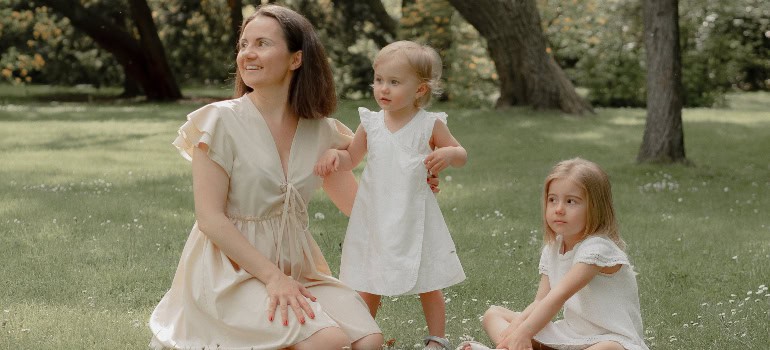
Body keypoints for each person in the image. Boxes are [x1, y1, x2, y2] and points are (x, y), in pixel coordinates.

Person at [149, 5, 392, 349]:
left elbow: (358, 207)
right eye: (244, 44)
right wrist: (273, 279)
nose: (248, 53)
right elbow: (210, 219)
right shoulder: (218, 122)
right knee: (328, 341)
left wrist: (412, 185)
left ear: (296, 59)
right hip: (228, 272)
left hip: (298, 270)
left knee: (369, 341)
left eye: (262, 43)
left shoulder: (321, 131)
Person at [314, 40, 467, 350]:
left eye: (394, 82)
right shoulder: (371, 123)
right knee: (370, 279)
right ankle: (363, 333)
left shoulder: (428, 124)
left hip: (415, 215)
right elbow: (353, 158)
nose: (383, 88)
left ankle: (437, 338)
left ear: (420, 90)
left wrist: (449, 153)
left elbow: (462, 153)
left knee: (428, 281)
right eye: (379, 79)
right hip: (376, 213)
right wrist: (335, 155)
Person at [457, 158, 649, 350]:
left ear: (595, 207)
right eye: (552, 199)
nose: (558, 209)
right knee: (493, 314)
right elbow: (540, 301)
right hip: (573, 334)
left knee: (608, 348)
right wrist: (517, 330)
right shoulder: (554, 247)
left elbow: (558, 296)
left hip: (613, 340)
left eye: (571, 201)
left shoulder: (597, 249)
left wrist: (524, 332)